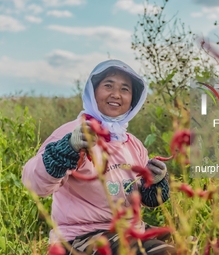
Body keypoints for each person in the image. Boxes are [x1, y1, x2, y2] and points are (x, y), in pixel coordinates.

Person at [22, 59, 176, 255]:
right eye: (108, 85)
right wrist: (67, 148)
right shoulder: (73, 132)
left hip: (130, 231)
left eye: (125, 89)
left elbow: (144, 199)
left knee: (190, 244)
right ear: (93, 91)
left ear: (133, 99)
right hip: (82, 238)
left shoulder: (132, 143)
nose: (116, 95)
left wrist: (155, 183)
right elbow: (34, 184)